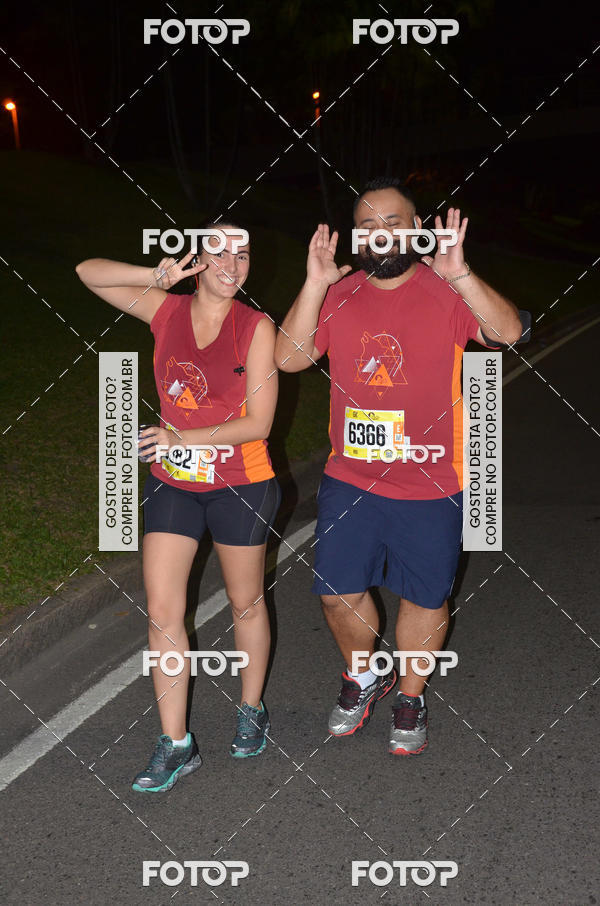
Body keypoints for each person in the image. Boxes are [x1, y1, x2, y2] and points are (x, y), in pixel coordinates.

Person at [275, 177, 526, 756]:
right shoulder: (339, 294)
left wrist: (460, 272)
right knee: (337, 592)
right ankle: (364, 675)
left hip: (432, 480)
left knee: (426, 597)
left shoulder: (445, 288)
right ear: (355, 238)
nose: (380, 233)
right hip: (350, 478)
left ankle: (410, 696)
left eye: (393, 222)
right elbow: (288, 359)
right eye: (367, 226)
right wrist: (314, 284)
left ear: (417, 229)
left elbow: (508, 333)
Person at [76, 223, 280, 791]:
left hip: (242, 480)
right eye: (219, 253)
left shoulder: (256, 327)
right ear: (197, 258)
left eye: (243, 254)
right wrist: (155, 275)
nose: (233, 265)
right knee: (164, 611)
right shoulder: (165, 311)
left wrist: (180, 439)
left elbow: (258, 423)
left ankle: (250, 708)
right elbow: (87, 273)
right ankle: (176, 743)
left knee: (245, 604)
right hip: (175, 482)